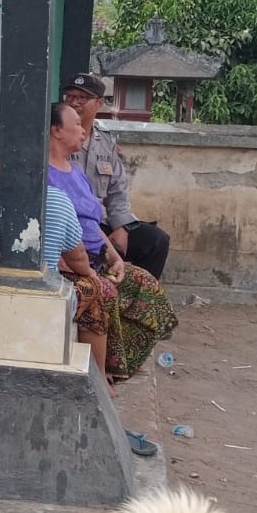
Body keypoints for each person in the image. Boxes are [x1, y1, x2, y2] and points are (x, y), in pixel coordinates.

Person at [0, 122, 111, 375]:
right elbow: (78, 259)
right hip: (40, 299)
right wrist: (91, 274)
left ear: (0, 156)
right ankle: (100, 375)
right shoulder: (57, 199)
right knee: (95, 291)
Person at [48, 102, 177, 380]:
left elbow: (94, 223)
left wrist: (114, 256)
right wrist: (85, 270)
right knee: (103, 290)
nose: (83, 131)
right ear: (56, 131)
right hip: (71, 263)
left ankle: (121, 364)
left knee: (146, 284)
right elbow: (51, 235)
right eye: (76, 126)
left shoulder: (76, 172)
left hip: (96, 256)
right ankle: (99, 373)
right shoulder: (42, 176)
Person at [63, 73, 172, 280]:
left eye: (82, 98)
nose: (74, 102)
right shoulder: (55, 136)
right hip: (73, 219)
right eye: (70, 96)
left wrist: (122, 227)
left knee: (156, 241)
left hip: (103, 220)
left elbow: (117, 191)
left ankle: (132, 299)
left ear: (99, 103)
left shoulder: (106, 142)